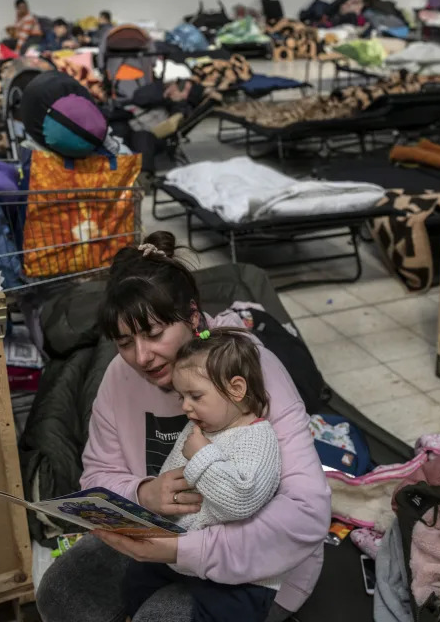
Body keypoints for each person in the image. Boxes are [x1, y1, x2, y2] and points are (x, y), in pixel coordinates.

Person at [36, 231, 331, 622]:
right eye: (124, 342)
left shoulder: (249, 370)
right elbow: (98, 475)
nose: (141, 356)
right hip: (159, 535)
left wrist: (184, 550)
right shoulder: (118, 377)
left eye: (154, 334)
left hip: (256, 565)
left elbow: (306, 513)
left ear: (193, 317)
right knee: (62, 592)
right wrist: (143, 493)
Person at [123, 328, 282, 622]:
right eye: (182, 396)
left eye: (195, 396)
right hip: (184, 551)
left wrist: (201, 455)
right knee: (134, 576)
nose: (185, 406)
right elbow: (174, 479)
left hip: (237, 574)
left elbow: (240, 500)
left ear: (236, 389)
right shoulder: (202, 427)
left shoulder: (257, 438)